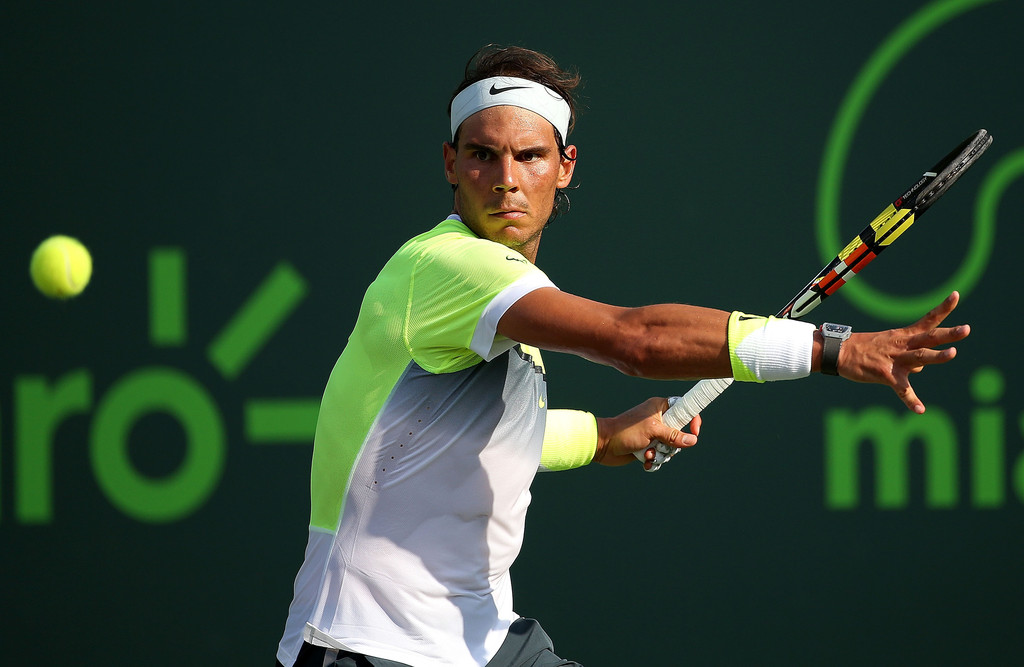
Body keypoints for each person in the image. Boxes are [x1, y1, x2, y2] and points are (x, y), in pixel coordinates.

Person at [275, 45, 969, 667]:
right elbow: (631, 340)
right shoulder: (447, 267)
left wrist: (605, 436)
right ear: (451, 164)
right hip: (367, 645)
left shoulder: (493, 304)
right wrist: (829, 348)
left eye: (530, 156)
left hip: (483, 639)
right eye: (483, 154)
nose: (506, 178)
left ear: (565, 167)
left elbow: (469, 439)